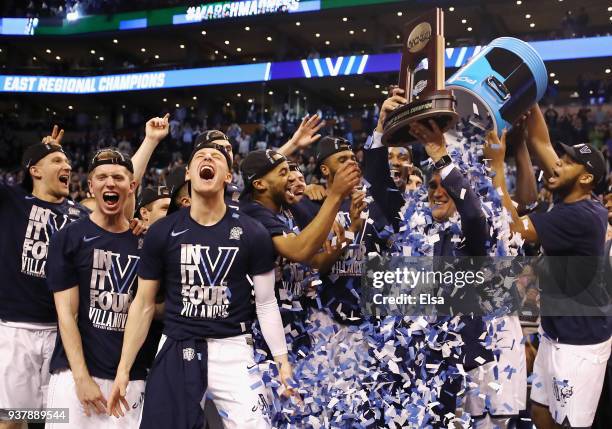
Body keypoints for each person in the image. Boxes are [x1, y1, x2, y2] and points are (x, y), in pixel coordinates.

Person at [107, 142, 295, 429]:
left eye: (216, 157)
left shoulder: (252, 231)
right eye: (199, 157)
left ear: (228, 177)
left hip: (233, 347)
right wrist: (123, 369)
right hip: (177, 343)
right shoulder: (163, 231)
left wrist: (281, 360)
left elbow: (266, 302)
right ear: (189, 175)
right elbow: (143, 304)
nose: (207, 158)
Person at [486, 105, 611, 429]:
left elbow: (512, 227)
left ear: (585, 178)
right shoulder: (572, 196)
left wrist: (498, 166)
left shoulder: (578, 216)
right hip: (556, 331)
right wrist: (529, 95)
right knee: (540, 412)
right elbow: (542, 142)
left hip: (579, 344)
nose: (558, 164)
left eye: (568, 163)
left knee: (568, 423)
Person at [45, 149, 147, 429]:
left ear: (132, 186)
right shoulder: (67, 238)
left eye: (118, 177)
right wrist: (81, 378)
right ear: (91, 186)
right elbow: (66, 315)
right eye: (101, 177)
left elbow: (149, 308)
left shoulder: (147, 244)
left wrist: (124, 376)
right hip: (73, 375)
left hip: (129, 379)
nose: (109, 183)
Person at [0, 126, 90, 429]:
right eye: (56, 162)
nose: (67, 167)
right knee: (12, 421)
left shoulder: (81, 215)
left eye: (67, 164)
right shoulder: (11, 202)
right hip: (16, 331)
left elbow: (125, 188)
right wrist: (37, 149)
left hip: (63, 334)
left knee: (56, 419)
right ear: (35, 170)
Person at [238, 148, 360, 357]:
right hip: (263, 338)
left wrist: (351, 231)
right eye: (283, 173)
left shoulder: (285, 208)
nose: (293, 176)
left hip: (298, 328)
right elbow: (300, 251)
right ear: (259, 185)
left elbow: (317, 263)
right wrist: (336, 196)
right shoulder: (252, 212)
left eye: (291, 170)